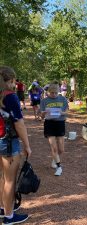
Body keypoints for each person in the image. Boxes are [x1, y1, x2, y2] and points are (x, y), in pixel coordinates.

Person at [0, 66, 32, 224]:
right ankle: (9, 216)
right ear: (11, 80)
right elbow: (19, 124)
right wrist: (27, 145)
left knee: (3, 178)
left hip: (0, 140)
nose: (15, 85)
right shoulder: (10, 97)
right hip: (9, 142)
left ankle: (3, 208)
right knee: (10, 180)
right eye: (14, 81)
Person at [40, 83, 68, 176]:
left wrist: (61, 112)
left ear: (58, 92)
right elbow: (41, 115)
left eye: (56, 93)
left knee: (61, 149)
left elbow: (66, 112)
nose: (54, 94)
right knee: (54, 147)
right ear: (48, 92)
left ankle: (54, 159)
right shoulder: (44, 101)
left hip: (60, 123)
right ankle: (59, 167)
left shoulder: (63, 99)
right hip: (49, 124)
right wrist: (43, 113)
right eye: (52, 93)